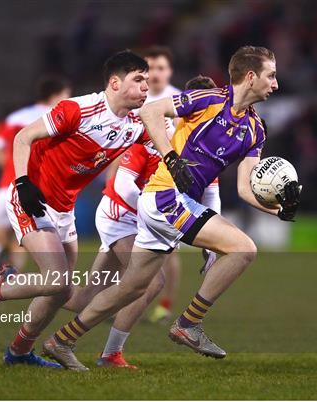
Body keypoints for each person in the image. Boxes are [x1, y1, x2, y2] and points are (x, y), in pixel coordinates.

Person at [46, 46, 301, 367]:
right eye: (271, 75)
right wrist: (170, 157)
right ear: (250, 77)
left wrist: (279, 210)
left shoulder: (256, 130)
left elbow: (245, 189)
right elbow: (150, 112)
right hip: (165, 196)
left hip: (175, 206)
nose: (276, 84)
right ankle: (188, 324)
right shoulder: (208, 99)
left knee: (132, 287)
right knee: (243, 249)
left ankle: (61, 340)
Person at [0, 50, 151, 371]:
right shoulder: (79, 109)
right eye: (138, 79)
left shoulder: (134, 125)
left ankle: (18, 352)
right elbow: (23, 137)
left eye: (147, 80)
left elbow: (169, 128)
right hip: (31, 198)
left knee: (64, 293)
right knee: (57, 282)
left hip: (63, 209)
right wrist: (23, 182)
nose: (146, 86)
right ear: (115, 83)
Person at [88, 74, 221, 369]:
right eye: (211, 107)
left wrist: (213, 243)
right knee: (148, 282)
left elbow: (212, 194)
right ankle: (103, 352)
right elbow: (123, 187)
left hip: (145, 217)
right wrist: (158, 212)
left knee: (81, 294)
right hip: (120, 214)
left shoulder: (205, 147)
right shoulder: (157, 132)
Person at [0, 75, 71, 272]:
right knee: (21, 240)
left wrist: (10, 166)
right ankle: (12, 280)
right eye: (66, 94)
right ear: (56, 95)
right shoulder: (61, 118)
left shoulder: (17, 117)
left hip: (7, 184)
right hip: (39, 189)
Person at [141, 46, 183, 323]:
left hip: (169, 181)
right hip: (136, 178)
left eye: (160, 68)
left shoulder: (181, 100)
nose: (155, 74)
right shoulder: (136, 98)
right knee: (135, 246)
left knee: (168, 251)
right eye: (150, 68)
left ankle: (165, 304)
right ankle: (132, 300)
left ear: (169, 71)